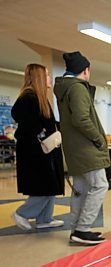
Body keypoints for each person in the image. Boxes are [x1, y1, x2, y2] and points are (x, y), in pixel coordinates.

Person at [54, 51, 110, 245]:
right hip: (86, 148)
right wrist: (99, 139)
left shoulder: (65, 88)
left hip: (74, 148)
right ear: (85, 70)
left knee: (82, 188)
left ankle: (76, 228)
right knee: (99, 185)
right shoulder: (77, 88)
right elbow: (81, 119)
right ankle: (82, 229)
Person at [10, 64, 65, 231]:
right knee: (45, 187)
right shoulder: (29, 99)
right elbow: (31, 126)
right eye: (47, 75)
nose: (49, 79)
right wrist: (44, 138)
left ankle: (44, 219)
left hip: (43, 151)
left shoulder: (39, 98)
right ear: (39, 78)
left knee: (50, 185)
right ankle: (22, 213)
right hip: (36, 153)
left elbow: (45, 123)